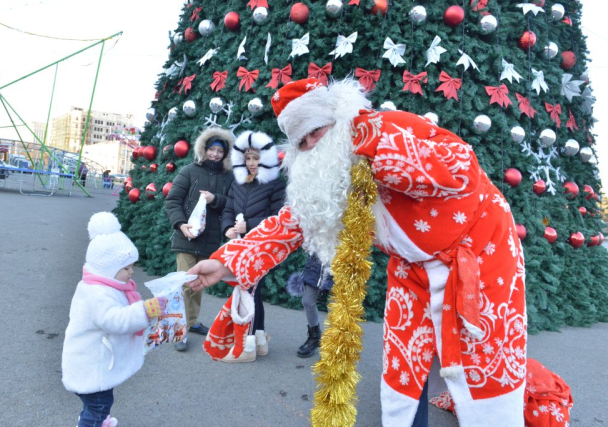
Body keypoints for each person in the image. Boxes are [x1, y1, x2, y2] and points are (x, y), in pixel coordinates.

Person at [186, 78, 527, 427]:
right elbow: (290, 224)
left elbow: (461, 167)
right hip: (413, 270)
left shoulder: (387, 127)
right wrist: (225, 260)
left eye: (316, 133)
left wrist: (378, 153)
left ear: (337, 119)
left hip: (481, 256)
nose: (312, 146)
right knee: (405, 364)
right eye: (302, 142)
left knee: (486, 365)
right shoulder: (327, 175)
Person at [62, 212, 166, 427]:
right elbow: (113, 319)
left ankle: (95, 421)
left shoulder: (104, 285)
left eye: (131, 266)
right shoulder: (97, 293)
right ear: (108, 269)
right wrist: (145, 311)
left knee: (97, 404)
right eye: (126, 268)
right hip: (91, 366)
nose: (132, 272)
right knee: (99, 405)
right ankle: (93, 423)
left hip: (93, 363)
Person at [164, 127, 234, 352]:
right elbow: (173, 200)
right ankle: (179, 329)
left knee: (198, 285)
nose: (214, 154)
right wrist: (180, 224)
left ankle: (191, 321)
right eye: (211, 149)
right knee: (185, 283)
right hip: (187, 238)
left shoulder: (228, 177)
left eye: (219, 151)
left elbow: (232, 203)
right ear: (203, 150)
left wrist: (215, 199)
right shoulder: (189, 171)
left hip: (210, 239)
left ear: (225, 154)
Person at [218, 130, 285, 362]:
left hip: (262, 246)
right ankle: (258, 340)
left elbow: (280, 217)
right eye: (248, 158)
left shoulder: (276, 183)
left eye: (256, 158)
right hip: (240, 245)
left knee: (249, 291)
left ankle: (246, 347)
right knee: (251, 292)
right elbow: (228, 208)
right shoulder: (237, 181)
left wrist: (250, 226)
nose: (252, 163)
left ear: (265, 157)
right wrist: (227, 227)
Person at [285, 254, 333, 358]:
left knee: (335, 307)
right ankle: (315, 337)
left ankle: (333, 343)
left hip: (340, 265)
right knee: (307, 301)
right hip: (316, 264)